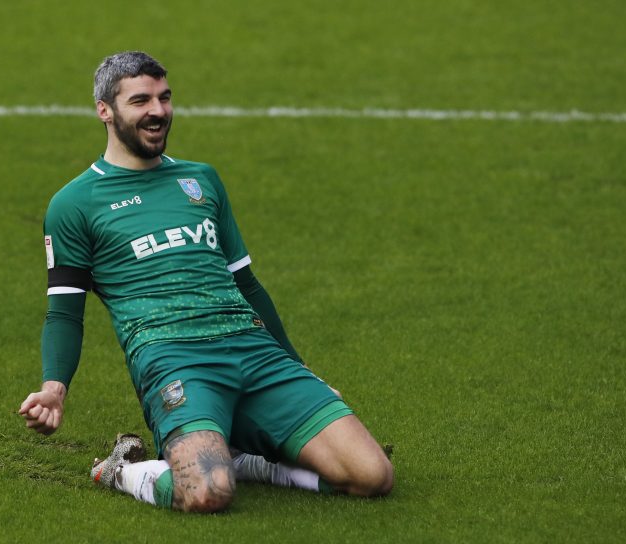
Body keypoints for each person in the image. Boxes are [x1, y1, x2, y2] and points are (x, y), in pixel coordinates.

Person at [19, 51, 393, 513]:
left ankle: (250, 462)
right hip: (175, 361)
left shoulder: (201, 180)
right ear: (105, 110)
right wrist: (54, 389)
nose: (157, 111)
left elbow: (248, 285)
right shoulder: (74, 204)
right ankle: (122, 469)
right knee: (206, 493)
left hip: (254, 352)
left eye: (164, 97)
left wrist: (300, 369)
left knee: (373, 476)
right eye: (141, 101)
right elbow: (64, 311)